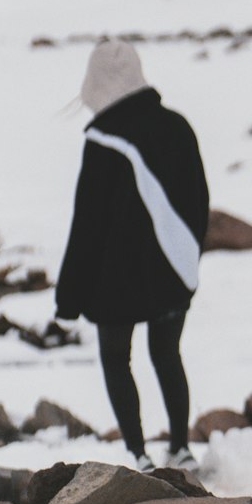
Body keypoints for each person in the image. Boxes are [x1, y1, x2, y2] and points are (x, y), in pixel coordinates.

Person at [56, 39, 210, 472]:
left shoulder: (103, 143)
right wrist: (190, 257)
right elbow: (200, 201)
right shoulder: (178, 127)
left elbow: (87, 226)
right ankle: (180, 448)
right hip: (172, 269)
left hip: (114, 283)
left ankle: (139, 456)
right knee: (167, 353)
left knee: (115, 359)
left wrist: (68, 299)